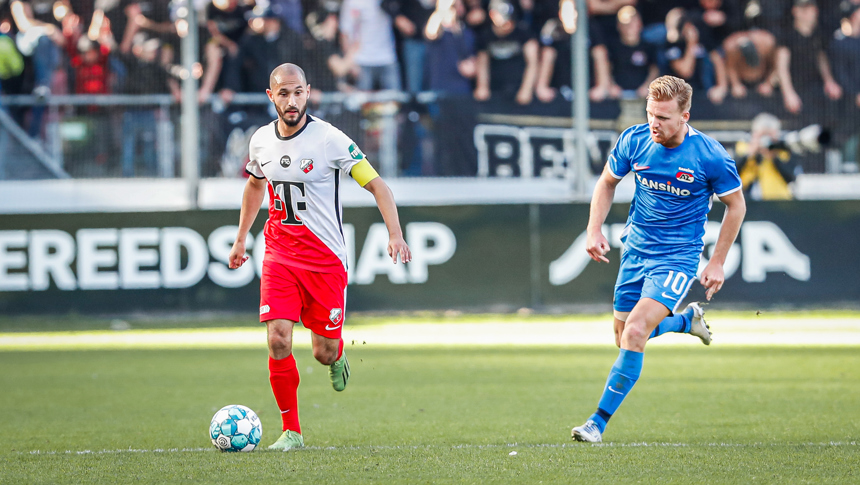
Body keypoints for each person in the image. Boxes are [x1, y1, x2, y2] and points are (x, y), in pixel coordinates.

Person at [227, 63, 412, 451]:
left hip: (326, 261)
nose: (291, 101)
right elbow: (254, 187)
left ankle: (338, 352)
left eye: (298, 92)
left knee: (322, 352)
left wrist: (395, 234)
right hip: (279, 253)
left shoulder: (329, 139)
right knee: (278, 338)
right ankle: (291, 431)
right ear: (270, 96)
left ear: (308, 92)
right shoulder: (260, 140)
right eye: (283, 93)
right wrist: (242, 238)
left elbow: (377, 185)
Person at [571, 75, 746, 443]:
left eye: (664, 117)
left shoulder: (710, 156)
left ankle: (596, 424)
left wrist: (716, 262)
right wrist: (594, 229)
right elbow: (606, 183)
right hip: (635, 250)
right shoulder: (634, 140)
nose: (655, 123)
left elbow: (736, 205)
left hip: (677, 258)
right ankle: (686, 322)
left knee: (636, 332)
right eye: (651, 113)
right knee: (624, 339)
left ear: (685, 116)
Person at [735, 113, 797, 200]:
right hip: (747, 200)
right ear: (754, 134)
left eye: (769, 136)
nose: (765, 140)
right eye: (762, 135)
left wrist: (774, 156)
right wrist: (750, 154)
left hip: (778, 200)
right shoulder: (743, 147)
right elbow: (732, 173)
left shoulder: (783, 150)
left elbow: (791, 177)